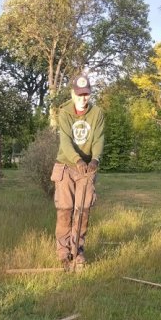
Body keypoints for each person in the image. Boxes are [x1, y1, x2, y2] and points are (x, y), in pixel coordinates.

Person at [51, 74, 104, 270]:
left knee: (83, 211)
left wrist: (95, 159)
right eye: (79, 95)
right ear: (73, 93)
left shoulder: (97, 113)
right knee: (65, 210)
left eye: (86, 95)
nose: (83, 99)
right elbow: (65, 142)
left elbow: (98, 139)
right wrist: (77, 160)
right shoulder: (64, 112)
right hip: (66, 165)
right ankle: (64, 253)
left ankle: (77, 252)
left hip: (87, 168)